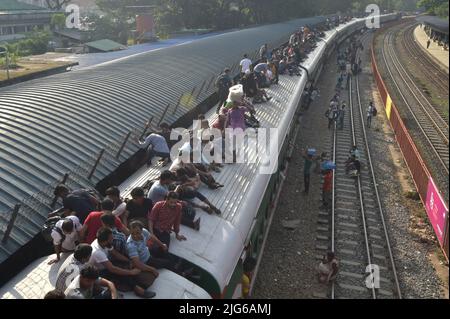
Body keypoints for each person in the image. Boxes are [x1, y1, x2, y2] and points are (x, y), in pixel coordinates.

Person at [89, 227, 155, 298]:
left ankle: (135, 282)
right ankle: (137, 289)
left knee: (126, 264)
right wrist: (131, 272)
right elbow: (112, 269)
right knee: (121, 274)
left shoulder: (103, 243)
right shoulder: (97, 252)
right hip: (100, 272)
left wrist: (129, 261)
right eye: (111, 238)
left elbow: (116, 254)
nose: (113, 239)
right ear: (106, 240)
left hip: (107, 263)